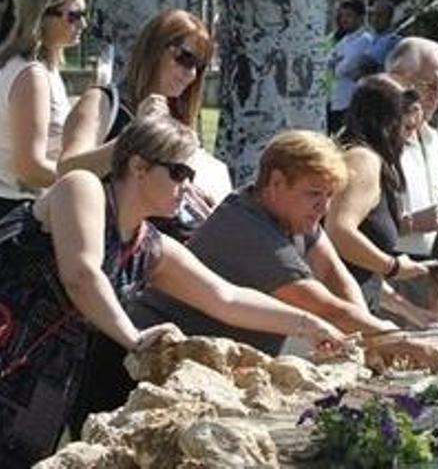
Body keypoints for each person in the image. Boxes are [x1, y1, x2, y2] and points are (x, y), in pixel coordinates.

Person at [0, 116, 346, 466]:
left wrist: (307, 323)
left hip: (42, 382)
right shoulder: (82, 187)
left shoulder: (149, 244)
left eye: (191, 176)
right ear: (138, 166)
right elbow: (82, 275)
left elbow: (225, 298)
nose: (188, 186)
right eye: (179, 172)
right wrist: (133, 338)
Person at [72, 129, 438, 432]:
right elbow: (320, 304)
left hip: (195, 374)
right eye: (314, 194)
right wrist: (398, 339)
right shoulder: (245, 227)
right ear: (275, 183)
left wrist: (366, 350)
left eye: (329, 196)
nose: (323, 207)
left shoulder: (296, 216)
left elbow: (335, 277)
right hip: (133, 366)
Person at [59, 8, 231, 241]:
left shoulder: (175, 118)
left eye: (199, 67)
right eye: (185, 59)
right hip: (105, 241)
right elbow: (68, 171)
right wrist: (136, 135)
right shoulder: (104, 102)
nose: (190, 74)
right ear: (155, 49)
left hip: (165, 245)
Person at [325, 74, 437, 327]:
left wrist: (411, 311)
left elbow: (359, 269)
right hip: (336, 318)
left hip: (353, 309)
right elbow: (339, 231)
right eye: (406, 128)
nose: (409, 140)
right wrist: (393, 266)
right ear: (384, 123)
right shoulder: (363, 160)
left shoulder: (361, 155)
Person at [0, 0, 85, 218]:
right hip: (18, 214)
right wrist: (90, 181)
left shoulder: (34, 67)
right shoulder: (31, 75)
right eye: (74, 15)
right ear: (43, 15)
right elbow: (30, 168)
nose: (83, 25)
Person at [385, 36, 438, 260]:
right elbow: (351, 224)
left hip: (437, 264)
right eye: (429, 85)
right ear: (397, 80)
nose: (437, 96)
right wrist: (412, 223)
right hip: (390, 266)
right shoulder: (374, 142)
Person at [328, 0, 372, 134]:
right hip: (337, 100)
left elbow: (344, 67)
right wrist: (337, 64)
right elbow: (327, 60)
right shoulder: (345, 39)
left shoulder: (364, 40)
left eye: (349, 15)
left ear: (360, 18)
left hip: (352, 102)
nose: (344, 19)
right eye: (342, 16)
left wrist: (337, 64)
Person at [364, 0, 400, 74]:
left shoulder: (393, 41)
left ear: (390, 18)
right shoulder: (368, 37)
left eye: (380, 15)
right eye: (374, 14)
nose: (375, 19)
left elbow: (369, 66)